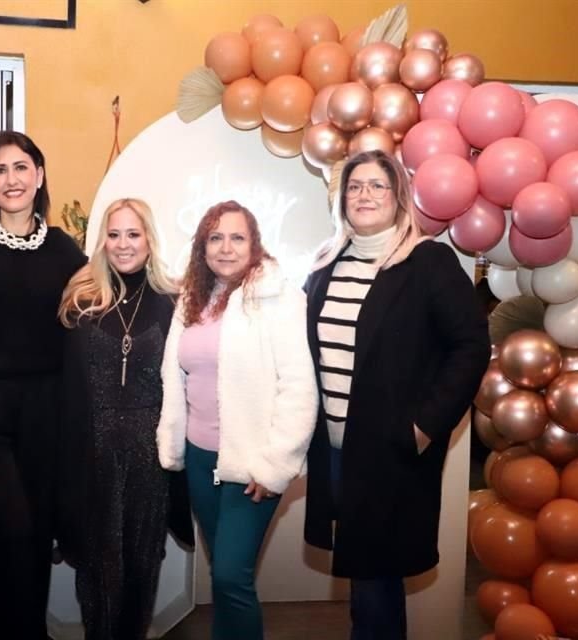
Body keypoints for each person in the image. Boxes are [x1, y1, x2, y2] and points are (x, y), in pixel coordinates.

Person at [302, 150, 490, 640]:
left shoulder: (427, 261)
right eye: (354, 186)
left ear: (398, 197)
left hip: (391, 449)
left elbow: (471, 347)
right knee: (364, 574)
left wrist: (425, 427)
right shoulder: (326, 264)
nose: (363, 195)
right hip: (336, 450)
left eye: (376, 186)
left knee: (377, 578)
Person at [0, 131, 86, 639]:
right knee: (2, 528)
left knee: (37, 531)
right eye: (0, 169)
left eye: (21, 167)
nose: (12, 179)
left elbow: (102, 301)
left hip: (47, 408)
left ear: (39, 176)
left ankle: (29, 631)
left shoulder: (65, 249)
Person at [157, 200, 317, 640]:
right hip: (199, 459)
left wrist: (276, 465)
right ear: (202, 246)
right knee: (225, 578)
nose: (226, 247)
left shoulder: (279, 298)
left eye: (237, 237)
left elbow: (299, 386)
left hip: (252, 465)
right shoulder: (193, 299)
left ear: (254, 244)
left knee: (230, 575)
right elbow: (176, 376)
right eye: (216, 237)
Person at [58, 198, 194, 640]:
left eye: (132, 234)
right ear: (102, 241)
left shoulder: (173, 302)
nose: (122, 244)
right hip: (89, 452)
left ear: (149, 240)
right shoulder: (80, 301)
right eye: (113, 234)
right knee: (98, 566)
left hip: (148, 455)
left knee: (140, 564)